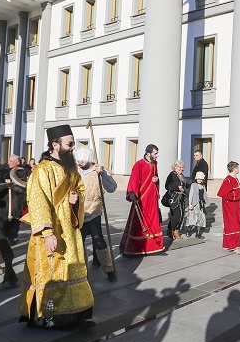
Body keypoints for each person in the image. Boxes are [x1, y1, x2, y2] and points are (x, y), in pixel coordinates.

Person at [19, 124, 94, 328]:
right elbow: (37, 202)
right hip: (51, 231)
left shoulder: (71, 168)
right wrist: (48, 233)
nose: (73, 148)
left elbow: (80, 190)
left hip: (70, 229)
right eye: (69, 144)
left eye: (73, 144)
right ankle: (50, 316)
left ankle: (76, 314)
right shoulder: (42, 170)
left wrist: (76, 199)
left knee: (73, 270)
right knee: (52, 272)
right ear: (55, 144)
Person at [74, 146, 117, 282]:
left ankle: (109, 269)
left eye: (82, 161)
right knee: (79, 244)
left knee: (98, 240)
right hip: (79, 213)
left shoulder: (99, 170)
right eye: (78, 161)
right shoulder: (76, 171)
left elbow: (112, 188)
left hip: (94, 212)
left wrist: (103, 173)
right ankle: (83, 273)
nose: (79, 164)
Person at [120, 144, 165, 256]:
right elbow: (134, 180)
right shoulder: (139, 164)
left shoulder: (154, 164)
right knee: (138, 224)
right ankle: (134, 249)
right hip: (142, 198)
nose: (156, 156)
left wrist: (157, 180)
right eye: (155, 153)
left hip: (152, 198)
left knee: (153, 221)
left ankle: (155, 246)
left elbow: (155, 177)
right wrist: (132, 193)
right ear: (148, 153)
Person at [217, 161, 240, 254]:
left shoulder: (236, 179)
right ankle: (234, 246)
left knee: (236, 224)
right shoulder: (227, 180)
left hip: (236, 206)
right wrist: (238, 195)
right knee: (232, 225)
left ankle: (228, 244)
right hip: (230, 207)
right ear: (235, 169)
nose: (239, 169)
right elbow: (225, 194)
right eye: (238, 168)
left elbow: (238, 190)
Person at [164, 160, 188, 240]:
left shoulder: (182, 176)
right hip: (174, 198)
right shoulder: (172, 175)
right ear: (175, 167)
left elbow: (185, 185)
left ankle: (176, 231)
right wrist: (177, 187)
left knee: (181, 215)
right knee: (176, 215)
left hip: (181, 198)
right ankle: (171, 230)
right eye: (179, 167)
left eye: (182, 167)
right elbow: (167, 186)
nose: (181, 169)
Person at [185, 172, 208, 239]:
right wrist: (190, 204)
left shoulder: (203, 186)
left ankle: (198, 233)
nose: (199, 180)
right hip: (195, 204)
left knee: (200, 219)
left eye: (200, 179)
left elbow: (205, 194)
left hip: (201, 204)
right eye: (198, 179)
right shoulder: (193, 185)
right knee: (193, 219)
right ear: (196, 179)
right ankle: (189, 229)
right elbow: (191, 195)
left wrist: (205, 200)